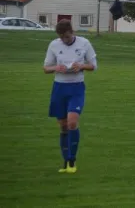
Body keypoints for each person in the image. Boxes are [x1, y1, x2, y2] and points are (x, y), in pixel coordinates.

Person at [43, 19, 97, 174]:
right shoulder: (54, 45)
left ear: (71, 32)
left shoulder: (84, 43)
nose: (64, 40)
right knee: (63, 125)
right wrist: (56, 68)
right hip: (59, 88)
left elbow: (94, 65)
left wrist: (81, 66)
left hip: (76, 87)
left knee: (72, 122)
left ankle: (72, 160)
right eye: (61, 37)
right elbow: (46, 68)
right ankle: (65, 160)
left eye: (66, 37)